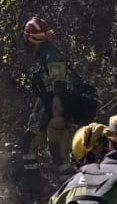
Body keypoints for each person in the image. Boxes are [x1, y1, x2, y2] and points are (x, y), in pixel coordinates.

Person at [20, 17, 80, 193]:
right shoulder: (45, 55)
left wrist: (58, 116)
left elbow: (59, 89)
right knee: (33, 144)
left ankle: (69, 193)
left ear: (31, 38)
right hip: (50, 110)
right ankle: (36, 188)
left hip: (57, 111)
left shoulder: (51, 56)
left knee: (59, 153)